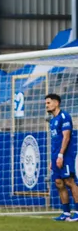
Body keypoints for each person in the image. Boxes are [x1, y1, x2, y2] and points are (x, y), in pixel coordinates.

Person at [46, 93, 78, 222]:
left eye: (48, 103)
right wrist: (52, 159)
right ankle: (66, 213)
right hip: (56, 156)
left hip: (65, 155)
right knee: (58, 183)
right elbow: (55, 141)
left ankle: (77, 211)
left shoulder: (64, 116)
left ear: (56, 103)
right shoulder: (52, 120)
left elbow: (66, 137)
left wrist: (60, 155)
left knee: (69, 182)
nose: (46, 105)